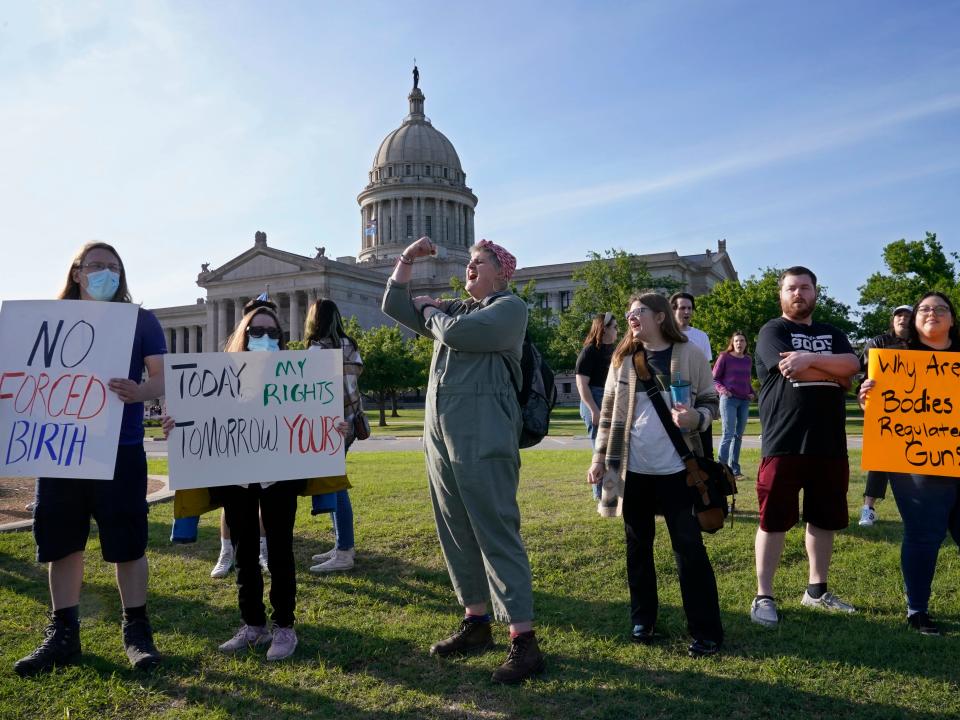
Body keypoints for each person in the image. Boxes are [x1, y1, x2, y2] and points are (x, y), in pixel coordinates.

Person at [382, 236, 544, 684]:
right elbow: (395, 307)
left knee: (495, 529)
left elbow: (456, 334)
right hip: (441, 436)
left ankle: (524, 640)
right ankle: (475, 621)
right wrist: (406, 262)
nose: (469, 268)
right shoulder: (460, 308)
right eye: (469, 262)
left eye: (478, 263)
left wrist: (433, 310)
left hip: (485, 433)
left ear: (501, 271)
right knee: (455, 529)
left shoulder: (509, 309)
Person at [15, 242, 167, 677]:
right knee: (61, 543)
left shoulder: (141, 321)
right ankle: (64, 634)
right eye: (97, 266)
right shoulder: (45, 322)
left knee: (128, 543)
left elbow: (161, 378)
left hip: (119, 448)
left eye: (114, 267)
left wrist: (140, 392)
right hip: (60, 447)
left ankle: (136, 630)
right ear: (77, 272)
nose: (106, 273)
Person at [587, 292, 723, 658]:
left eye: (639, 312)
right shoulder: (623, 359)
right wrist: (599, 459)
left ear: (661, 316)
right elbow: (610, 413)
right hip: (632, 473)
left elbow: (711, 401)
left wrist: (698, 418)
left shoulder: (691, 355)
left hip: (680, 472)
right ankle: (643, 619)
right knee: (637, 548)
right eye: (629, 312)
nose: (631, 317)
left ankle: (706, 631)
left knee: (689, 550)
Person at [195, 297, 304, 660]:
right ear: (243, 334)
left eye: (273, 332)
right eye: (257, 331)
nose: (265, 337)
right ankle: (253, 625)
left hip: (279, 476)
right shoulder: (220, 376)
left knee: (280, 551)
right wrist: (176, 425)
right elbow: (202, 418)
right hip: (237, 476)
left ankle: (284, 628)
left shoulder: (297, 376)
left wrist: (332, 427)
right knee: (243, 552)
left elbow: (310, 418)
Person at [750, 266, 860, 627]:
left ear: (816, 293)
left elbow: (853, 365)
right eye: (792, 288)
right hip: (785, 441)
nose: (799, 294)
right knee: (774, 520)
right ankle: (763, 595)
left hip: (829, 444)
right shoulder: (773, 330)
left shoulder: (833, 332)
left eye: (806, 288)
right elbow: (790, 370)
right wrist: (836, 374)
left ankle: (817, 591)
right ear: (781, 295)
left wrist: (811, 359)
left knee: (823, 519)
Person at [858, 292, 959, 635]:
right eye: (925, 310)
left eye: (940, 309)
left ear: (952, 319)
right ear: (914, 321)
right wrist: (867, 398)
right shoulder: (895, 361)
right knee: (923, 534)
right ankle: (917, 609)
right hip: (915, 464)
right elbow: (877, 411)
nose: (932, 314)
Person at [305, 298, 363, 573]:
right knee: (333, 483)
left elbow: (312, 391)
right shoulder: (349, 344)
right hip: (350, 422)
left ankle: (344, 551)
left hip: (330, 425)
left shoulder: (318, 349)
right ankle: (342, 544)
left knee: (336, 486)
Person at [857, 305, 912, 527]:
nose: (903, 319)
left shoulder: (923, 344)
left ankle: (916, 509)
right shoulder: (878, 343)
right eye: (899, 315)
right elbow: (860, 372)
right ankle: (868, 508)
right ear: (893, 319)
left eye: (908, 316)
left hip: (917, 410)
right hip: (885, 409)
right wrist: (864, 388)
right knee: (880, 460)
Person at [575, 312, 618, 499]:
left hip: (610, 397)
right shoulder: (590, 351)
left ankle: (612, 490)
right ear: (604, 328)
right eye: (614, 327)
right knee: (600, 448)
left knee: (612, 448)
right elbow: (581, 384)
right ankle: (600, 495)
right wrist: (594, 409)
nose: (617, 330)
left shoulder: (614, 350)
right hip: (594, 398)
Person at [670, 292, 714, 460]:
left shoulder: (701, 336)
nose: (686, 312)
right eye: (682, 308)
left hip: (698, 400)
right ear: (673, 310)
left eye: (689, 308)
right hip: (673, 400)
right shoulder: (664, 336)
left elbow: (707, 371)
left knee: (704, 451)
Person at [712, 331, 755, 479]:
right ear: (732, 343)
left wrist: (752, 392)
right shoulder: (724, 357)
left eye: (742, 341)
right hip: (728, 400)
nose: (739, 343)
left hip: (744, 401)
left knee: (738, 436)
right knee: (728, 434)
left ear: (746, 344)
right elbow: (715, 379)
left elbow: (747, 380)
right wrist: (723, 391)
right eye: (736, 341)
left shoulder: (748, 359)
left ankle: (735, 470)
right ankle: (722, 469)